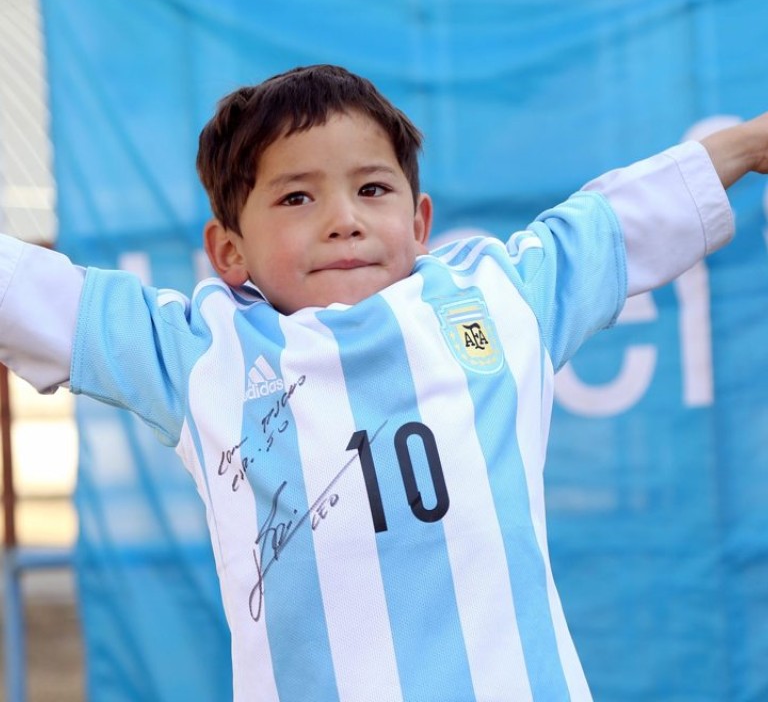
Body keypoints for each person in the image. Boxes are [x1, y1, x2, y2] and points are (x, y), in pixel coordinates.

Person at [1, 64, 767, 701]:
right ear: (228, 251)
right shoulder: (201, 354)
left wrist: (748, 142)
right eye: (296, 197)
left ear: (420, 221)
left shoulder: (497, 301)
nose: (344, 219)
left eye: (372, 189)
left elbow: (609, 223)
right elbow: (36, 294)